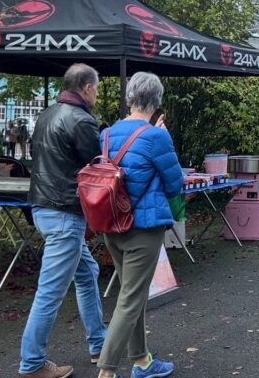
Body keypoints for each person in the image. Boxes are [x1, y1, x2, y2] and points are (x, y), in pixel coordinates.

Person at [19, 64, 106, 378]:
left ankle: (100, 344)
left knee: (87, 273)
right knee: (50, 291)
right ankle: (31, 364)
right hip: (65, 213)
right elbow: (97, 169)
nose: (96, 93)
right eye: (95, 87)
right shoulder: (82, 120)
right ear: (85, 87)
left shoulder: (47, 113)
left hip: (42, 207)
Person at [96, 72, 182, 378]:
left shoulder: (106, 134)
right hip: (142, 230)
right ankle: (106, 371)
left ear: (129, 98)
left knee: (132, 295)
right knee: (131, 300)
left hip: (112, 224)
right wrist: (162, 139)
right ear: (157, 101)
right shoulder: (157, 137)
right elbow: (175, 185)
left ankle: (142, 360)